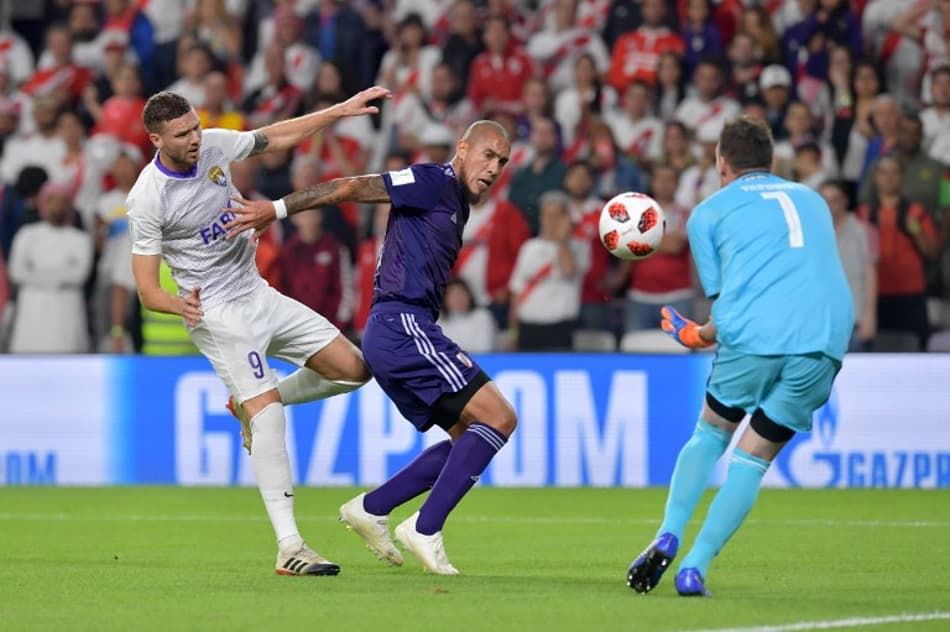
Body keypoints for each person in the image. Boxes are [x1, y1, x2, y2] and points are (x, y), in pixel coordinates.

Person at [224, 120, 518, 576]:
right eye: (487, 155)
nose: (494, 167)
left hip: (396, 329)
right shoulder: (432, 180)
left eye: (502, 161)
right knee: (500, 418)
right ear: (462, 149)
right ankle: (425, 528)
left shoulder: (456, 200)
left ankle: (373, 507)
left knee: (468, 436)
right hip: (402, 324)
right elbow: (347, 188)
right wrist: (277, 210)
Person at [127, 86, 390, 577]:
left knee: (354, 370)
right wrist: (177, 305)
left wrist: (338, 111)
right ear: (155, 139)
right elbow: (145, 289)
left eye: (197, 127)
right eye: (183, 134)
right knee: (270, 419)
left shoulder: (215, 147)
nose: (195, 139)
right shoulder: (147, 198)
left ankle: (247, 405)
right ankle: (290, 546)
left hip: (258, 292)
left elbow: (276, 138)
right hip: (218, 313)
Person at [625, 116, 854, 597]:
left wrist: (696, 335)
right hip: (827, 337)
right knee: (754, 460)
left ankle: (668, 531)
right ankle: (696, 567)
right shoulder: (813, 199)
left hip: (755, 335)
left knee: (711, 433)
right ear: (771, 163)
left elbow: (726, 304)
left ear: (721, 163)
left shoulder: (708, 213)